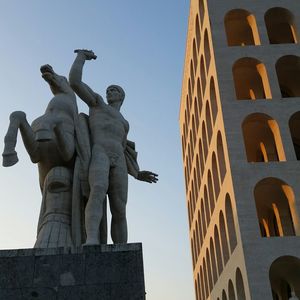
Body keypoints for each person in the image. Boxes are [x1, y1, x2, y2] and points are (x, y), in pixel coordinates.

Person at [69, 49, 158, 245]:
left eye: (114, 89)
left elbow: (125, 149)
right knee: (98, 190)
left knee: (119, 207)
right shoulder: (97, 103)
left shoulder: (125, 123)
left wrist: (136, 173)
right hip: (100, 153)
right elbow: (75, 82)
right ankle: (91, 239)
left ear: (121, 97)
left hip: (119, 161)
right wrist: (81, 57)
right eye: (108, 89)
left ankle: (121, 248)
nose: (109, 91)